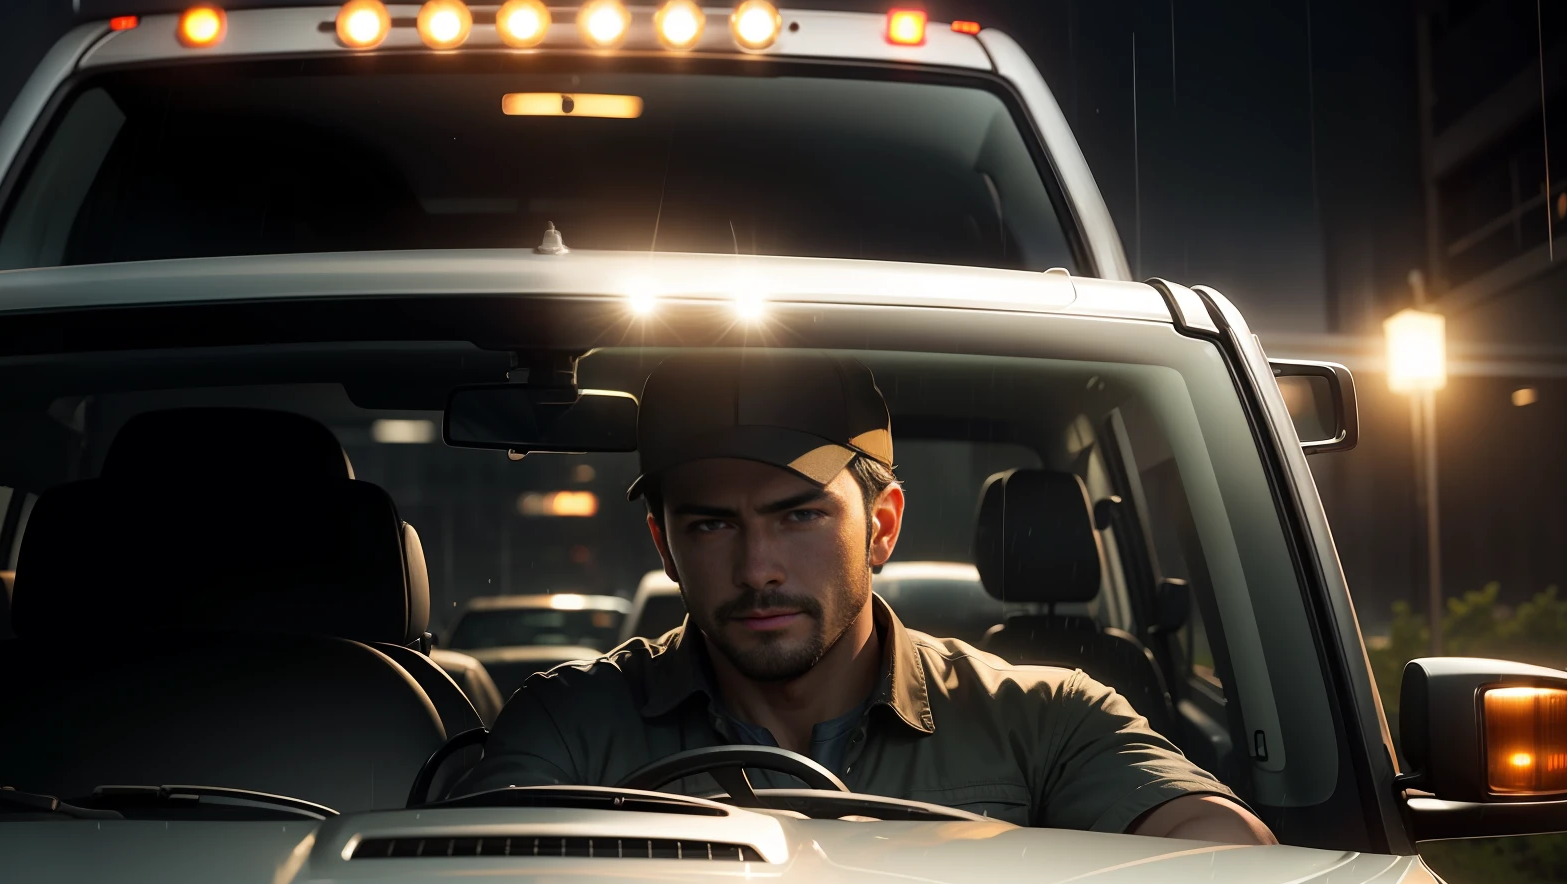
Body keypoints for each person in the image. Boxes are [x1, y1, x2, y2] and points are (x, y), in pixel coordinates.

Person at [456, 351, 1276, 845]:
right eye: (711, 526)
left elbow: (1224, 853)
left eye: (800, 515)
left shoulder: (1043, 720)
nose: (757, 569)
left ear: (882, 526)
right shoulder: (570, 724)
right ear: (665, 545)